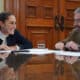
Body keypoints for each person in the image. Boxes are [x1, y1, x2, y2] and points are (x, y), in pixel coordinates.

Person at [0, 12, 33, 80]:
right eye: (11, 23)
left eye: (15, 23)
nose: (14, 26)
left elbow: (29, 44)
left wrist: (15, 47)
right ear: (2, 24)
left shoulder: (15, 33)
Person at [55, 8, 80, 80]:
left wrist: (78, 47)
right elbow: (64, 41)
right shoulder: (76, 31)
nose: (75, 24)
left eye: (78, 20)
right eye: (75, 20)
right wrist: (60, 44)